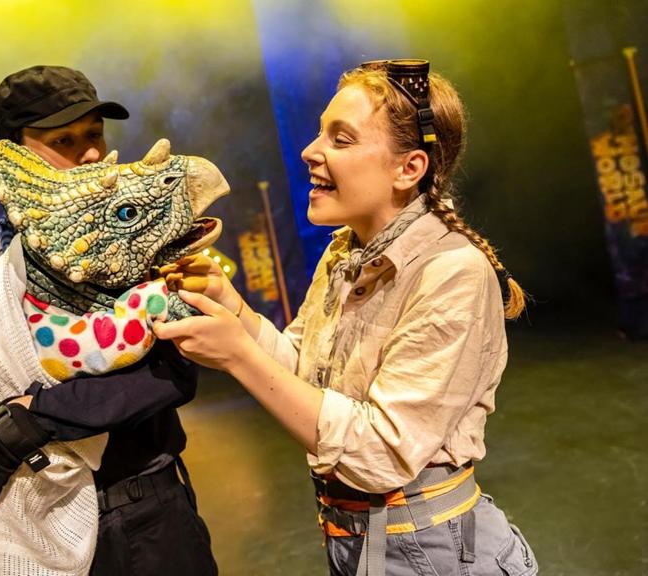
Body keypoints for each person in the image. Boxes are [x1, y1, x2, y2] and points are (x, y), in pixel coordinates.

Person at [154, 60, 538, 575]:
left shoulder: (452, 271)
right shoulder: (345, 253)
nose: (310, 151)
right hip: (358, 540)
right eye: (320, 133)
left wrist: (240, 356)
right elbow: (305, 369)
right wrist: (235, 309)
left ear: (409, 168)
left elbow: (381, 453)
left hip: (433, 554)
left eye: (341, 139)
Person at [0, 65, 217, 576]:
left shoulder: (139, 250)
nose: (89, 153)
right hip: (34, 525)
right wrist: (21, 417)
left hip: (151, 511)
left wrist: (32, 416)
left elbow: (168, 377)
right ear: (16, 156)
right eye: (64, 140)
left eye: (94, 135)